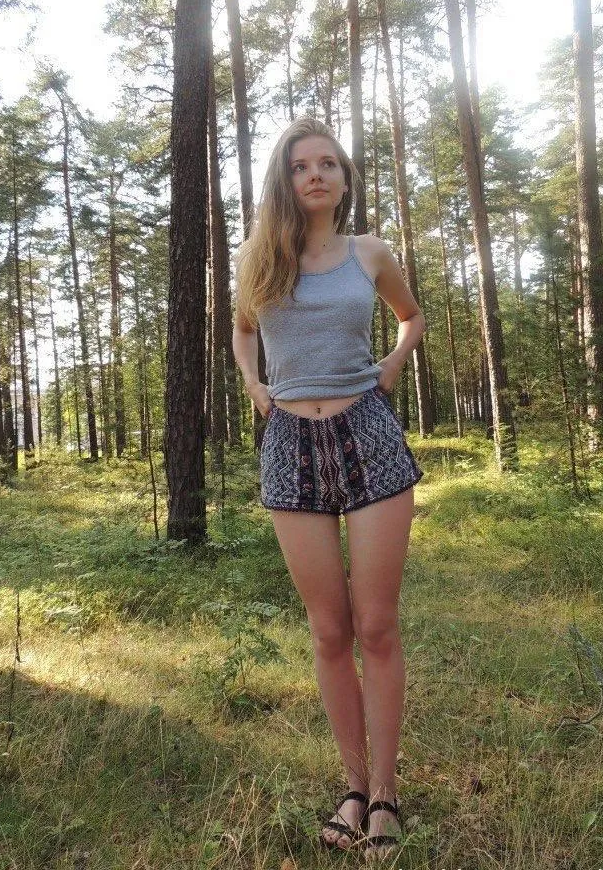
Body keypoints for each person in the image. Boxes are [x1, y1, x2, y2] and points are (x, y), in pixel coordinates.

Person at [232, 117, 426, 861]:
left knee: (376, 626)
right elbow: (243, 329)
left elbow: (411, 318)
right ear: (284, 180)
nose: (314, 174)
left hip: (368, 435)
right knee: (328, 631)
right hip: (290, 445)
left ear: (344, 179)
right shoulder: (259, 258)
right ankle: (350, 785)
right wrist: (255, 384)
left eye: (327, 164)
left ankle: (384, 793)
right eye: (299, 165)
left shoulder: (369, 252)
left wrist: (392, 365)